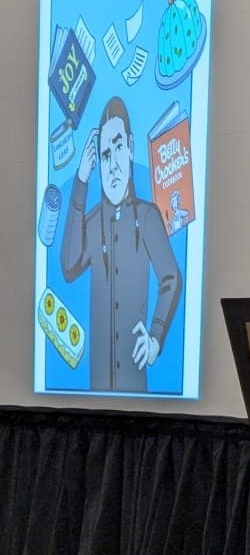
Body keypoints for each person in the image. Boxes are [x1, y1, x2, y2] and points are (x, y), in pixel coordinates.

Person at [61, 96, 181, 392]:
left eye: (117, 147)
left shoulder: (147, 216)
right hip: (94, 395)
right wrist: (80, 180)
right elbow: (68, 267)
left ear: (130, 148)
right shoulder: (89, 221)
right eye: (104, 155)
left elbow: (171, 278)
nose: (112, 164)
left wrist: (155, 338)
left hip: (136, 394)